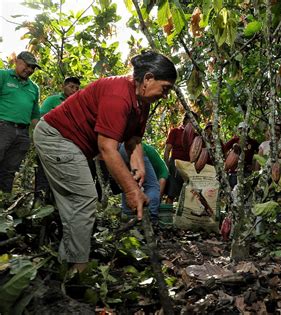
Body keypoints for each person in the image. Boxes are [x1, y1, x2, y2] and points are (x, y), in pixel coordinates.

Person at [33, 51, 177, 272]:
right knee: (83, 200)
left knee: (77, 202)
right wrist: (131, 190)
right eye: (165, 88)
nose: (166, 95)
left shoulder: (142, 103)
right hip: (57, 137)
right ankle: (77, 270)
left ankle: (64, 264)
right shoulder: (118, 94)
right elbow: (107, 149)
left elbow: (134, 140)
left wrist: (137, 170)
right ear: (148, 78)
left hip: (76, 146)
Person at [0, 51, 41, 192]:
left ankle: (4, 203)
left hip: (23, 133)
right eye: (27, 65)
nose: (29, 70)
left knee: (10, 170)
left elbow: (35, 114)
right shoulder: (3, 76)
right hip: (3, 127)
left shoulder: (34, 88)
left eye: (32, 68)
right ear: (17, 61)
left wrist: (39, 134)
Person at [35, 77, 81, 201]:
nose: (74, 90)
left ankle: (56, 206)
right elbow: (42, 119)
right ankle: (40, 202)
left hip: (68, 146)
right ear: (63, 87)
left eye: (77, 88)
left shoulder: (78, 104)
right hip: (49, 142)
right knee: (44, 173)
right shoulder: (53, 100)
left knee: (62, 175)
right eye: (71, 87)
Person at [119, 142, 169, 222]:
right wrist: (156, 202)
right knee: (152, 187)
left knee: (129, 184)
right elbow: (160, 186)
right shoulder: (164, 171)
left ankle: (128, 216)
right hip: (134, 148)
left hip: (120, 148)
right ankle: (151, 219)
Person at [163, 114, 192, 203]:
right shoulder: (175, 131)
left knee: (187, 192)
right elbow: (167, 150)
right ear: (186, 120)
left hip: (188, 165)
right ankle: (167, 212)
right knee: (172, 190)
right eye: (192, 121)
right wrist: (167, 166)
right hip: (175, 164)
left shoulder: (194, 135)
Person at [223, 122, 259, 188]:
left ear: (248, 130)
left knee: (246, 191)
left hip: (247, 171)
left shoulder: (253, 142)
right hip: (235, 171)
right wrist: (228, 162)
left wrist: (253, 166)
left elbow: (259, 155)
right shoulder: (235, 140)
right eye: (240, 129)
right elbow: (224, 149)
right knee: (234, 190)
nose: (242, 131)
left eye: (244, 129)